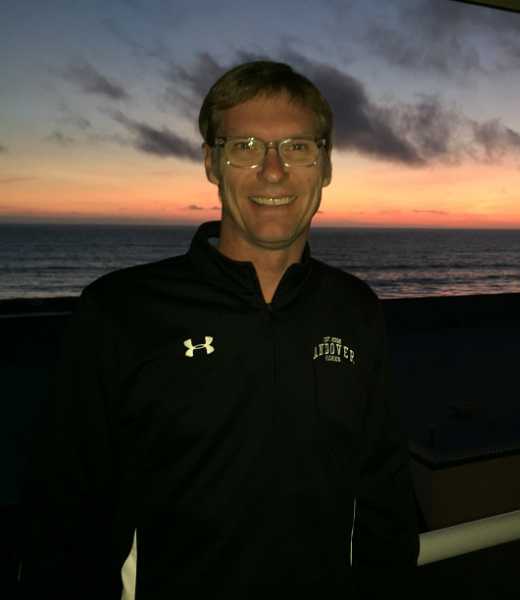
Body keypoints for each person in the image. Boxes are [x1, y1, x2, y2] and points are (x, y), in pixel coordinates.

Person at [20, 60, 419, 598]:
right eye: (245, 147)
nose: (273, 171)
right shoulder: (121, 312)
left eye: (298, 147)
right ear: (212, 162)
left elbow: (385, 502)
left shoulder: (356, 311)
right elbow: (62, 524)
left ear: (325, 167)